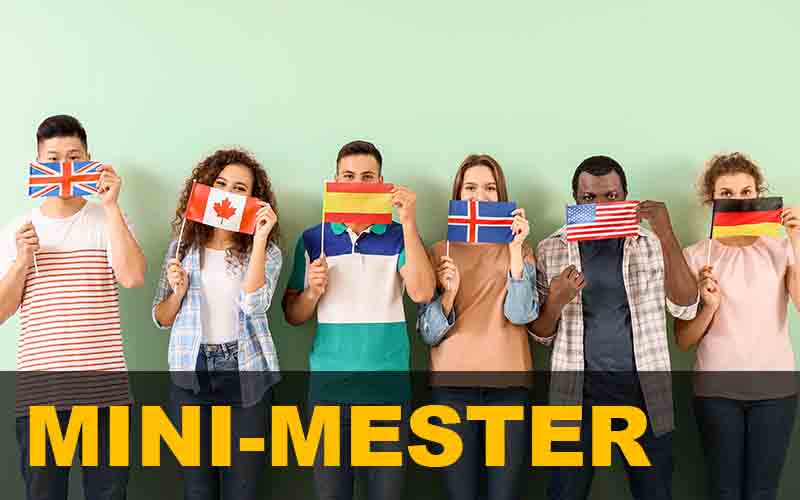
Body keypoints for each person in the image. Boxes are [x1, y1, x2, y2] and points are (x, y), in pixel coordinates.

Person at [529, 155, 698, 500]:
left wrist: (665, 232)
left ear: (626, 197)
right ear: (576, 200)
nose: (602, 205)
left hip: (645, 395)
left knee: (654, 492)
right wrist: (556, 301)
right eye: (590, 199)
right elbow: (540, 334)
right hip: (576, 396)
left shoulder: (650, 244)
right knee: (564, 492)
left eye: (611, 196)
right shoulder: (550, 249)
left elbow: (686, 305)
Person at [0, 114, 146, 500]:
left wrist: (112, 206)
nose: (62, 167)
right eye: (52, 159)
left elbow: (132, 277)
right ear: (37, 163)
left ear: (88, 160)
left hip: (106, 393)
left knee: (109, 494)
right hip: (40, 395)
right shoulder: (19, 229)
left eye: (73, 157)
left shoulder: (108, 221)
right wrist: (20, 261)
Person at [282, 140, 435, 500]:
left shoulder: (400, 237)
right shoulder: (312, 238)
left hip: (388, 394)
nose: (358, 184)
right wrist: (312, 293)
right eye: (348, 176)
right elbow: (293, 315)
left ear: (382, 183)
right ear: (335, 180)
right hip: (329, 396)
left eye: (368, 177)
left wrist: (409, 223)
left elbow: (423, 292)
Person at [151, 149, 281, 500]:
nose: (227, 193)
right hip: (191, 375)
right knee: (197, 489)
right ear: (206, 188)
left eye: (240, 188)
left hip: (245, 374)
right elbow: (162, 319)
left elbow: (255, 304)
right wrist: (177, 293)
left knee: (244, 488)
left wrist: (259, 240)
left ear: (253, 199)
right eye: (220, 183)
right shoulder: (181, 249)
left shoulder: (266, 253)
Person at [676, 152, 799, 500]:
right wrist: (709, 306)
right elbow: (684, 339)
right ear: (711, 199)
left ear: (758, 194)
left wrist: (797, 239)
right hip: (716, 393)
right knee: (724, 490)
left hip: (775, 392)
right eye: (727, 193)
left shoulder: (781, 249)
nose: (739, 200)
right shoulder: (696, 256)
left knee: (762, 492)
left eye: (746, 192)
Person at [417, 154, 539, 500]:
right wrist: (449, 294)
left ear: (502, 197)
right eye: (470, 187)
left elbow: (521, 314)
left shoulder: (522, 251)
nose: (479, 196)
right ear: (458, 195)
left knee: (506, 494)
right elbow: (428, 332)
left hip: (509, 389)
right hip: (451, 391)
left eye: (490, 188)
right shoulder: (439, 251)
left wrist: (515, 250)